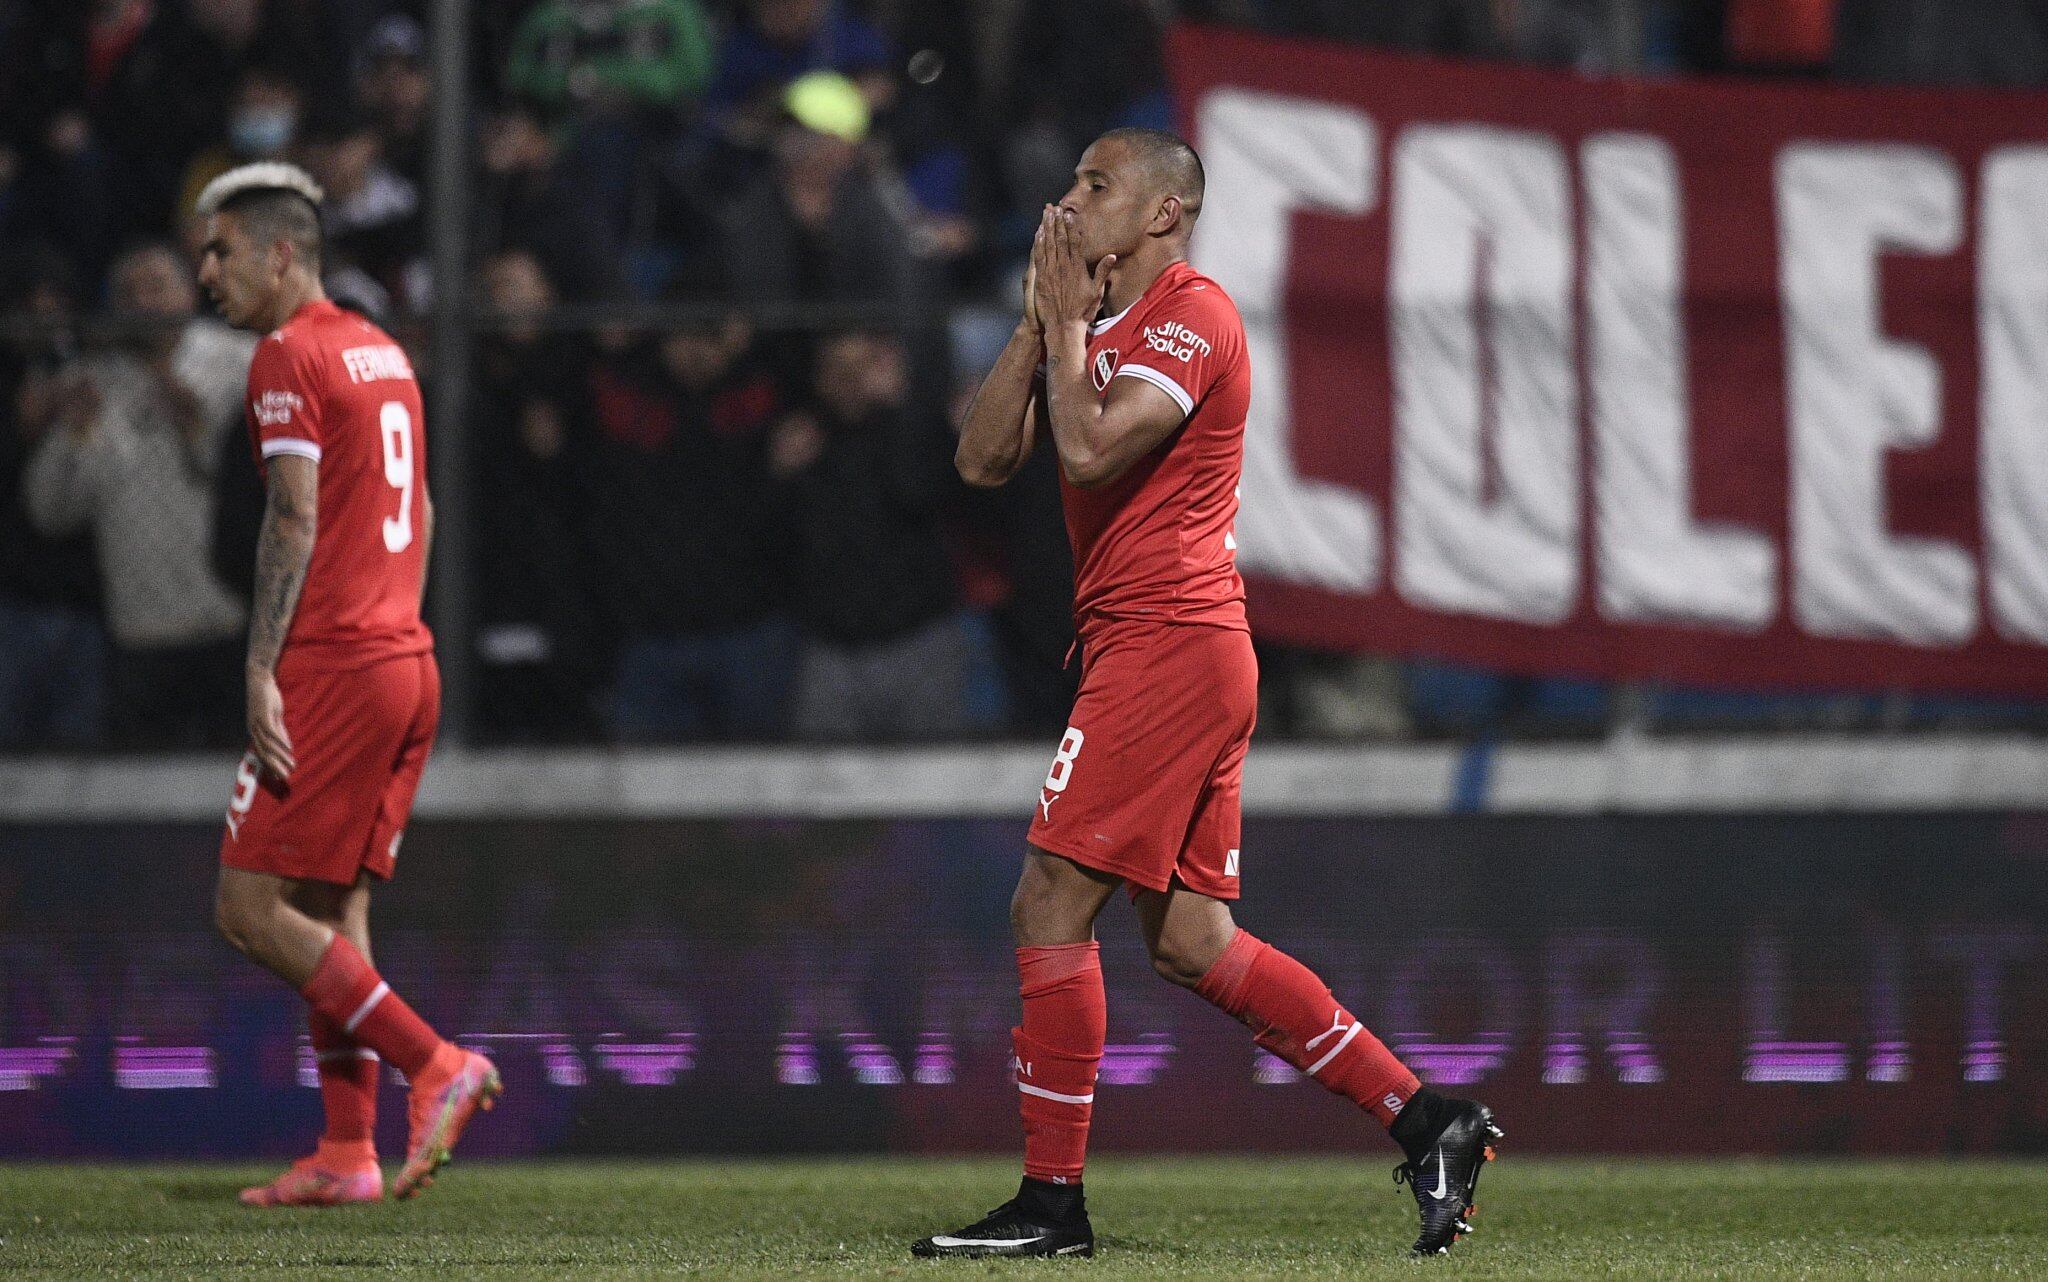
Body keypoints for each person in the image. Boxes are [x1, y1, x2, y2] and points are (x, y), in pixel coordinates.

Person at [914, 130, 1501, 1261]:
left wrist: (1068, 329)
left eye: (1097, 187)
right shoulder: (1090, 323)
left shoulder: (1191, 314)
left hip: (1169, 642)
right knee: (1188, 941)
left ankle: (1050, 1204)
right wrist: (1042, 321)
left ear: (1162, 216)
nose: (1068, 203)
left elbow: (1083, 454)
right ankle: (1429, 1119)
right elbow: (982, 461)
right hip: (1156, 645)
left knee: (1047, 902)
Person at [193, 161, 498, 1207]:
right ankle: (346, 1151)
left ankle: (435, 1063)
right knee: (331, 906)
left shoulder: (288, 354)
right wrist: (392, 631)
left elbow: (292, 514)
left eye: (222, 249)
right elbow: (424, 510)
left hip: (335, 661)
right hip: (405, 657)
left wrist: (259, 667)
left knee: (247, 906)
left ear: (282, 252)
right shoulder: (382, 348)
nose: (206, 273)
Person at [20, 244, 252, 748]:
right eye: (131, 292)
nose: (146, 303)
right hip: (141, 633)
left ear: (189, 292)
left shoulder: (241, 363)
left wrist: (199, 426)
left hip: (231, 622)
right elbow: (51, 513)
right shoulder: (96, 382)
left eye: (158, 286)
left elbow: (273, 486)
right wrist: (77, 435)